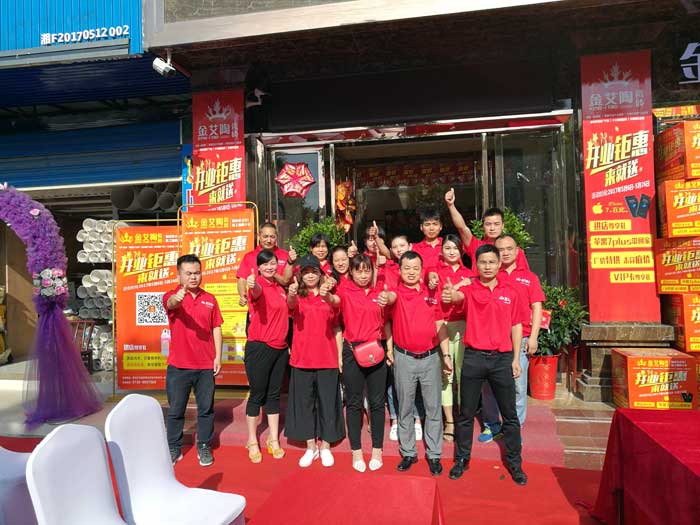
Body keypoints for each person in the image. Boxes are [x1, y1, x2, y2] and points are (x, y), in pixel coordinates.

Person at [442, 244, 527, 485]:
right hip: (474, 358)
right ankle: (461, 459)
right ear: (476, 265)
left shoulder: (511, 292)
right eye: (482, 262)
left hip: (502, 359)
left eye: (491, 262)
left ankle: (515, 463)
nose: (487, 266)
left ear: (499, 264)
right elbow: (456, 298)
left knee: (509, 415)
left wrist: (515, 358)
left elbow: (516, 325)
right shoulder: (470, 289)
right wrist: (451, 293)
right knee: (466, 413)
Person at [380, 251, 451, 476]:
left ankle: (434, 454)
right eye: (406, 268)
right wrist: (389, 349)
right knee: (405, 407)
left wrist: (446, 355)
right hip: (404, 359)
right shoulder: (396, 293)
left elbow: (440, 323)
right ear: (400, 271)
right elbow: (389, 300)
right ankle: (408, 452)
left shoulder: (432, 291)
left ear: (421, 270)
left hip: (430, 358)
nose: (411, 272)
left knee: (433, 408)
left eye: (415, 268)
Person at [325, 254, 387, 472]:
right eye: (358, 270)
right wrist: (327, 295)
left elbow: (389, 315)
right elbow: (334, 301)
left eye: (367, 270)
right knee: (354, 403)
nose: (363, 275)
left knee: (377, 403)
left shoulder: (379, 293)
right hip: (352, 351)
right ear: (350, 272)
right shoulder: (344, 290)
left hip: (376, 351)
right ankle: (356, 451)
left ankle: (377, 449)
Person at [479, 235, 544, 442]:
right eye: (501, 249)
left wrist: (534, 337)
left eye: (509, 248)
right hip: (492, 340)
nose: (505, 253)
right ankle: (491, 424)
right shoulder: (489, 275)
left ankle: (514, 427)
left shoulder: (529, 277)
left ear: (517, 251)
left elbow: (537, 308)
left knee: (517, 386)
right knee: (489, 386)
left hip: (521, 339)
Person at [163, 254, 223, 467]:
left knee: (206, 410)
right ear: (179, 275)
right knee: (176, 410)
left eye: (197, 273)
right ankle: (174, 447)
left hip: (205, 366)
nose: (193, 277)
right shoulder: (172, 295)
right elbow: (170, 304)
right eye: (188, 273)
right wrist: (177, 299)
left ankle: (204, 446)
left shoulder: (210, 299)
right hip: (178, 366)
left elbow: (216, 328)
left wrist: (218, 356)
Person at [285, 256, 345, 467]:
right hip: (302, 359)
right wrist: (291, 293)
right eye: (306, 272)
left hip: (327, 358)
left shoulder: (330, 296)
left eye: (314, 272)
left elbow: (337, 326)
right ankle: (311, 446)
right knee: (305, 404)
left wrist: (339, 356)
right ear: (300, 275)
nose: (310, 276)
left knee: (328, 403)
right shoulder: (297, 296)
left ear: (321, 274)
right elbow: (290, 305)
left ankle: (326, 445)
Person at [243, 250, 290, 463]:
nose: (270, 267)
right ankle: (252, 440)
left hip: (280, 349)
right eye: (265, 264)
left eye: (273, 263)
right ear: (259, 268)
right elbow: (256, 291)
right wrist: (252, 283)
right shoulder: (258, 285)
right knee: (257, 394)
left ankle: (273, 439)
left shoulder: (279, 288)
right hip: (260, 348)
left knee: (274, 395)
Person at [379, 234, 425, 441]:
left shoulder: (421, 277)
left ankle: (417, 420)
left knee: (417, 385)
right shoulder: (388, 270)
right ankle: (396, 420)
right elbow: (389, 302)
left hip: (419, 343)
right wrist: (390, 348)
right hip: (396, 340)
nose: (399, 249)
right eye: (395, 246)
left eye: (402, 245)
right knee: (395, 383)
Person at [432, 235, 474, 443]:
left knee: (462, 375)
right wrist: (456, 287)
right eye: (447, 248)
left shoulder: (471, 274)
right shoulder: (435, 274)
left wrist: (464, 284)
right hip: (443, 326)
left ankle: (463, 418)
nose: (451, 252)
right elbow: (437, 299)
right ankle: (449, 421)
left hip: (465, 326)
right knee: (446, 376)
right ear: (442, 251)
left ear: (462, 251)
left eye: (455, 248)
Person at [445, 187, 529, 270]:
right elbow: (462, 228)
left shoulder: (513, 250)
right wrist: (451, 205)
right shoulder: (476, 246)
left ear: (503, 225)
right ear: (483, 227)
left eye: (496, 224)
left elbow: (524, 275)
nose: (492, 228)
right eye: (488, 224)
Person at [237, 222, 290, 306]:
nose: (268, 240)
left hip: (280, 306)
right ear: (259, 236)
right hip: (257, 307)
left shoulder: (285, 256)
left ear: (276, 237)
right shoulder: (249, 256)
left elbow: (288, 281)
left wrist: (271, 272)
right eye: (265, 236)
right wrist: (243, 295)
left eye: (272, 237)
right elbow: (242, 279)